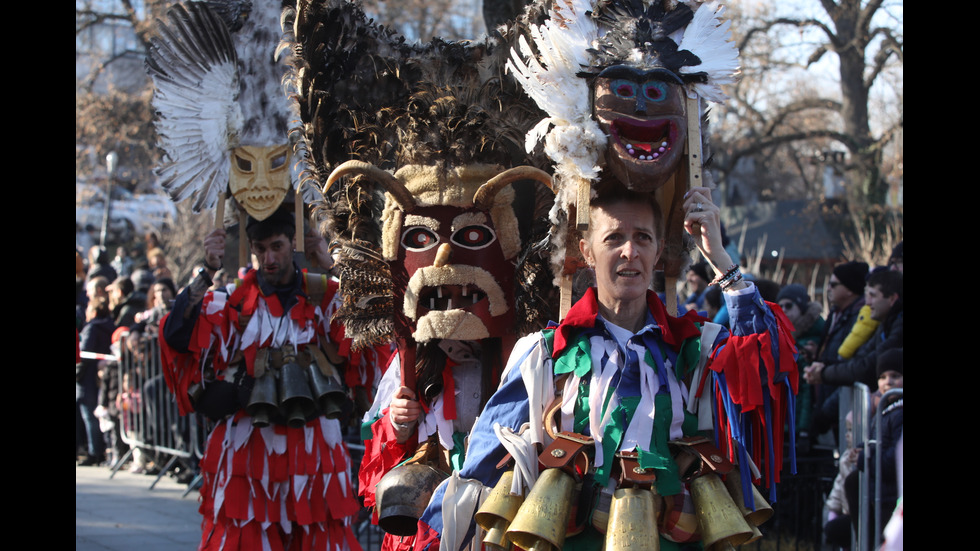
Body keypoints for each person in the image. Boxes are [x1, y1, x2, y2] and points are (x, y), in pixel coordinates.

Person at [409, 184, 798, 550]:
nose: (630, 251)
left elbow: (770, 364)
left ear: (659, 251)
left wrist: (722, 261)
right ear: (587, 251)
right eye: (614, 238)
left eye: (643, 237)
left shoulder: (697, 349)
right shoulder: (543, 355)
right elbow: (479, 470)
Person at [160, 208, 362, 551]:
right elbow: (177, 334)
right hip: (247, 445)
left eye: (277, 247)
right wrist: (207, 269)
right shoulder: (232, 300)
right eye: (260, 248)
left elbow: (373, 325)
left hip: (315, 446)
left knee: (320, 538)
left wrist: (331, 263)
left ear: (293, 243)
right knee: (243, 538)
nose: (268, 258)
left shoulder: (325, 293)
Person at [805, 270, 903, 389]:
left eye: (873, 296)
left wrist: (824, 373)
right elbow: (861, 358)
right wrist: (825, 366)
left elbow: (868, 366)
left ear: (892, 298)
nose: (868, 303)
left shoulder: (898, 325)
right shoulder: (886, 323)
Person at [776, 283, 826, 448]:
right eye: (780, 306)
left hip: (805, 421)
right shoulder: (783, 336)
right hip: (788, 418)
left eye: (789, 305)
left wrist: (804, 429)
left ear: (801, 306)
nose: (784, 309)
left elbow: (805, 391)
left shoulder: (815, 337)